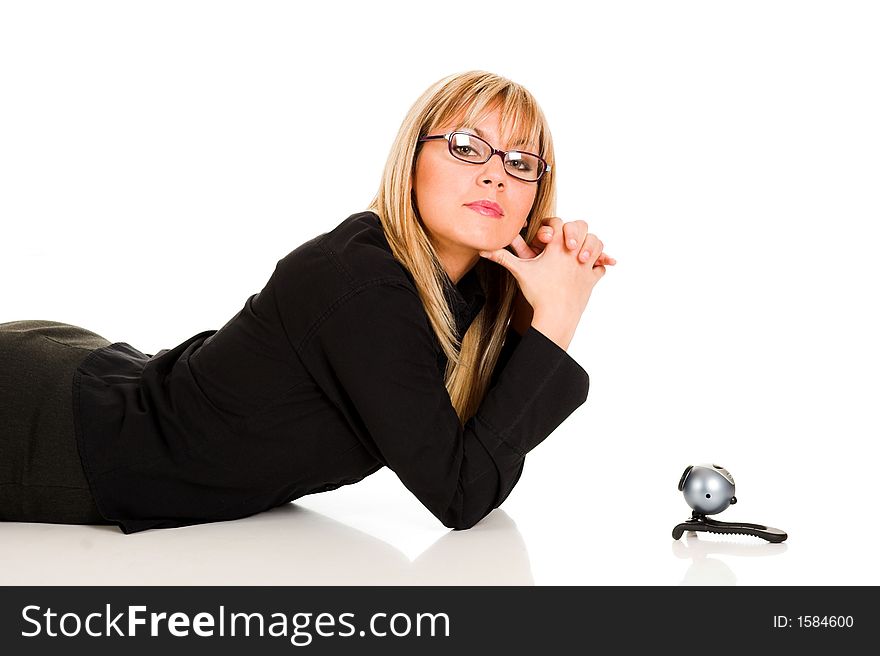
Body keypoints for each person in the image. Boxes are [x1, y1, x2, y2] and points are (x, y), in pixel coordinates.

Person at [0, 70, 615, 535]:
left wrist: (539, 298)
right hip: (47, 426)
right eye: (465, 145)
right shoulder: (363, 281)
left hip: (98, 372)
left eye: (520, 161)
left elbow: (483, 455)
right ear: (411, 161)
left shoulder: (469, 294)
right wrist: (558, 318)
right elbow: (462, 491)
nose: (495, 175)